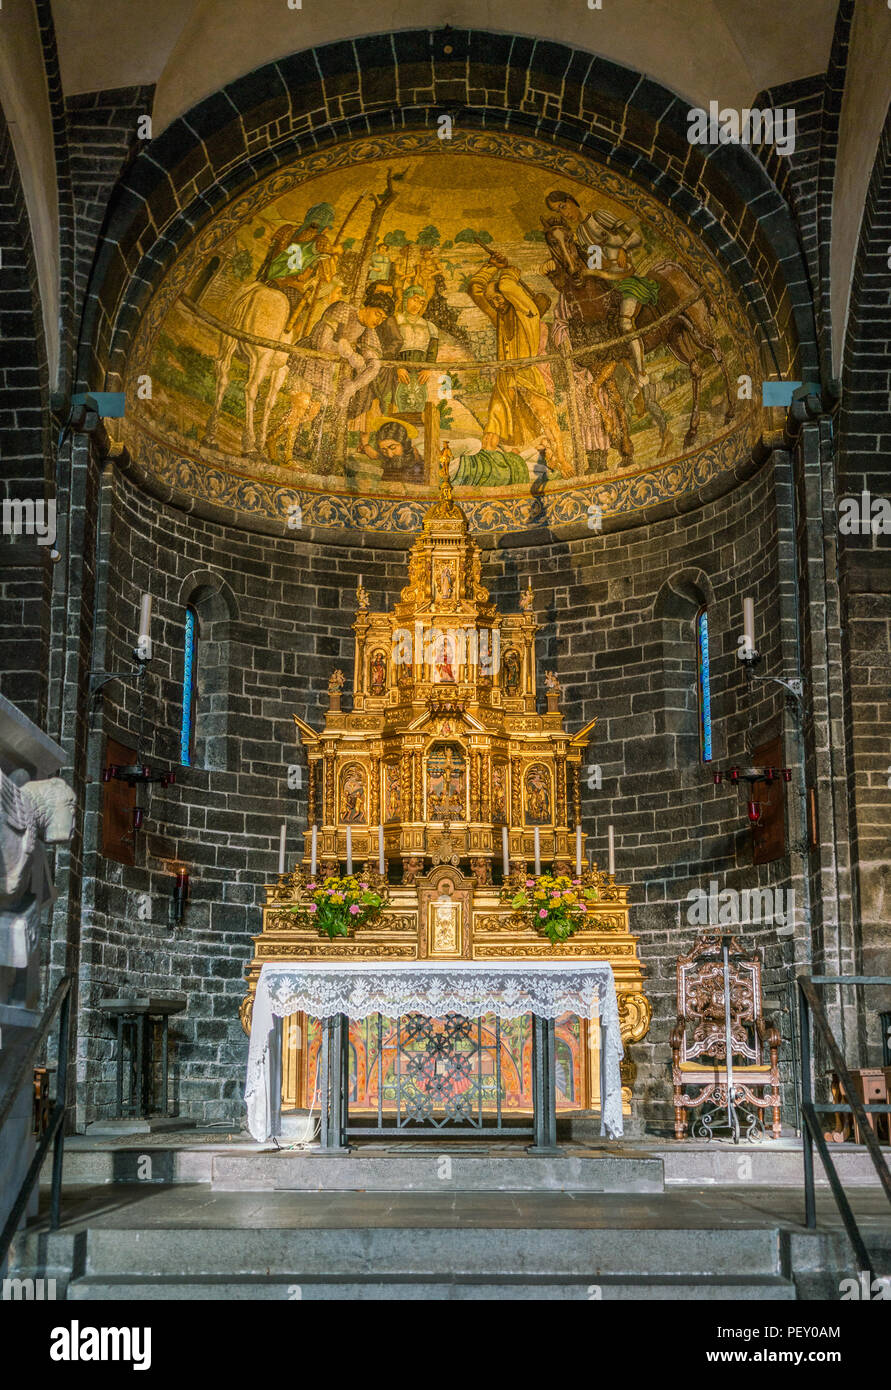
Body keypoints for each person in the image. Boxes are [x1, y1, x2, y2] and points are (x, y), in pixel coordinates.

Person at [544, 190, 658, 390]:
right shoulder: (579, 234)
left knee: (625, 322)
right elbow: (597, 264)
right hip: (608, 282)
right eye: (559, 212)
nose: (565, 214)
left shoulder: (599, 216)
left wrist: (623, 248)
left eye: (563, 207)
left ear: (571, 200)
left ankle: (641, 373)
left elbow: (636, 237)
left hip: (625, 277)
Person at [468, 254, 569, 475]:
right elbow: (475, 290)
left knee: (546, 418)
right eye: (494, 300)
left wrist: (509, 269)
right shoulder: (500, 317)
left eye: (499, 299)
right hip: (505, 378)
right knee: (494, 424)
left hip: (527, 375)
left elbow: (507, 285)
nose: (496, 303)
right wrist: (489, 267)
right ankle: (486, 470)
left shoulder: (527, 314)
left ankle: (561, 458)